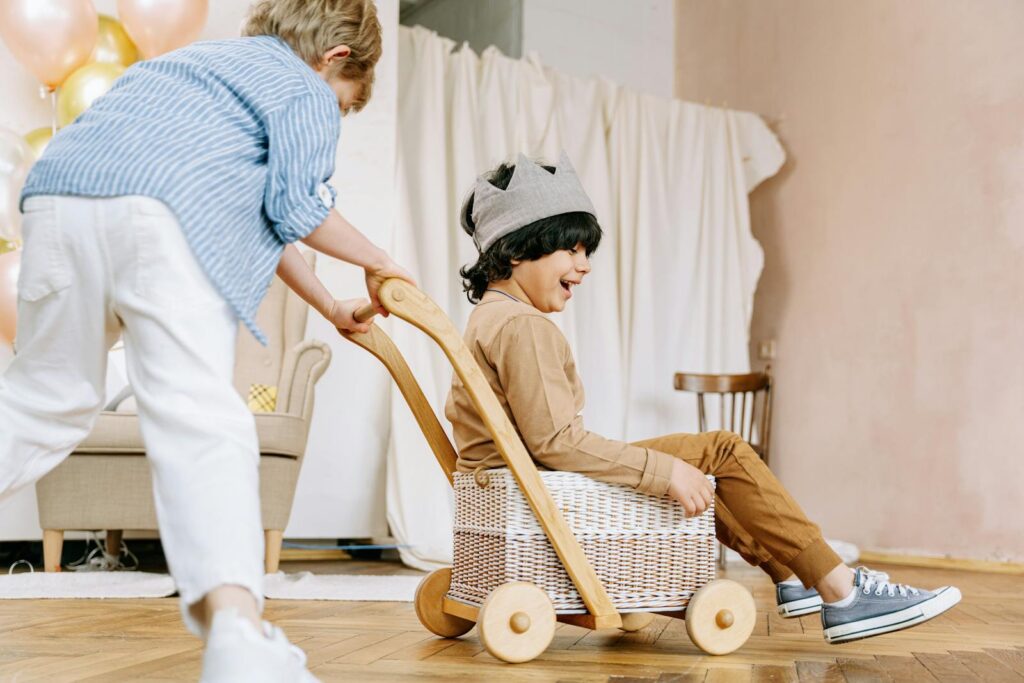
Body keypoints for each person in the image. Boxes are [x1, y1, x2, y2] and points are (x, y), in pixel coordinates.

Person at [0, 1, 410, 680]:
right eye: (343, 106)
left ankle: (239, 634)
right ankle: (239, 639)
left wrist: (332, 303)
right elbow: (299, 205)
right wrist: (379, 261)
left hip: (59, 199)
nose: (331, 113)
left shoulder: (187, 68)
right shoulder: (300, 82)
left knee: (45, 399)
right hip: (159, 219)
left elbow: (262, 217)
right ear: (337, 59)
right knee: (201, 421)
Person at [444, 152, 960, 645]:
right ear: (515, 250)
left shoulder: (489, 317)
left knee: (710, 455)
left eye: (586, 252)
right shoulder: (525, 327)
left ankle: (796, 573)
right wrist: (663, 471)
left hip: (515, 478)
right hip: (544, 482)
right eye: (571, 250)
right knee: (723, 451)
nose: (584, 266)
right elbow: (555, 441)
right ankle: (840, 590)